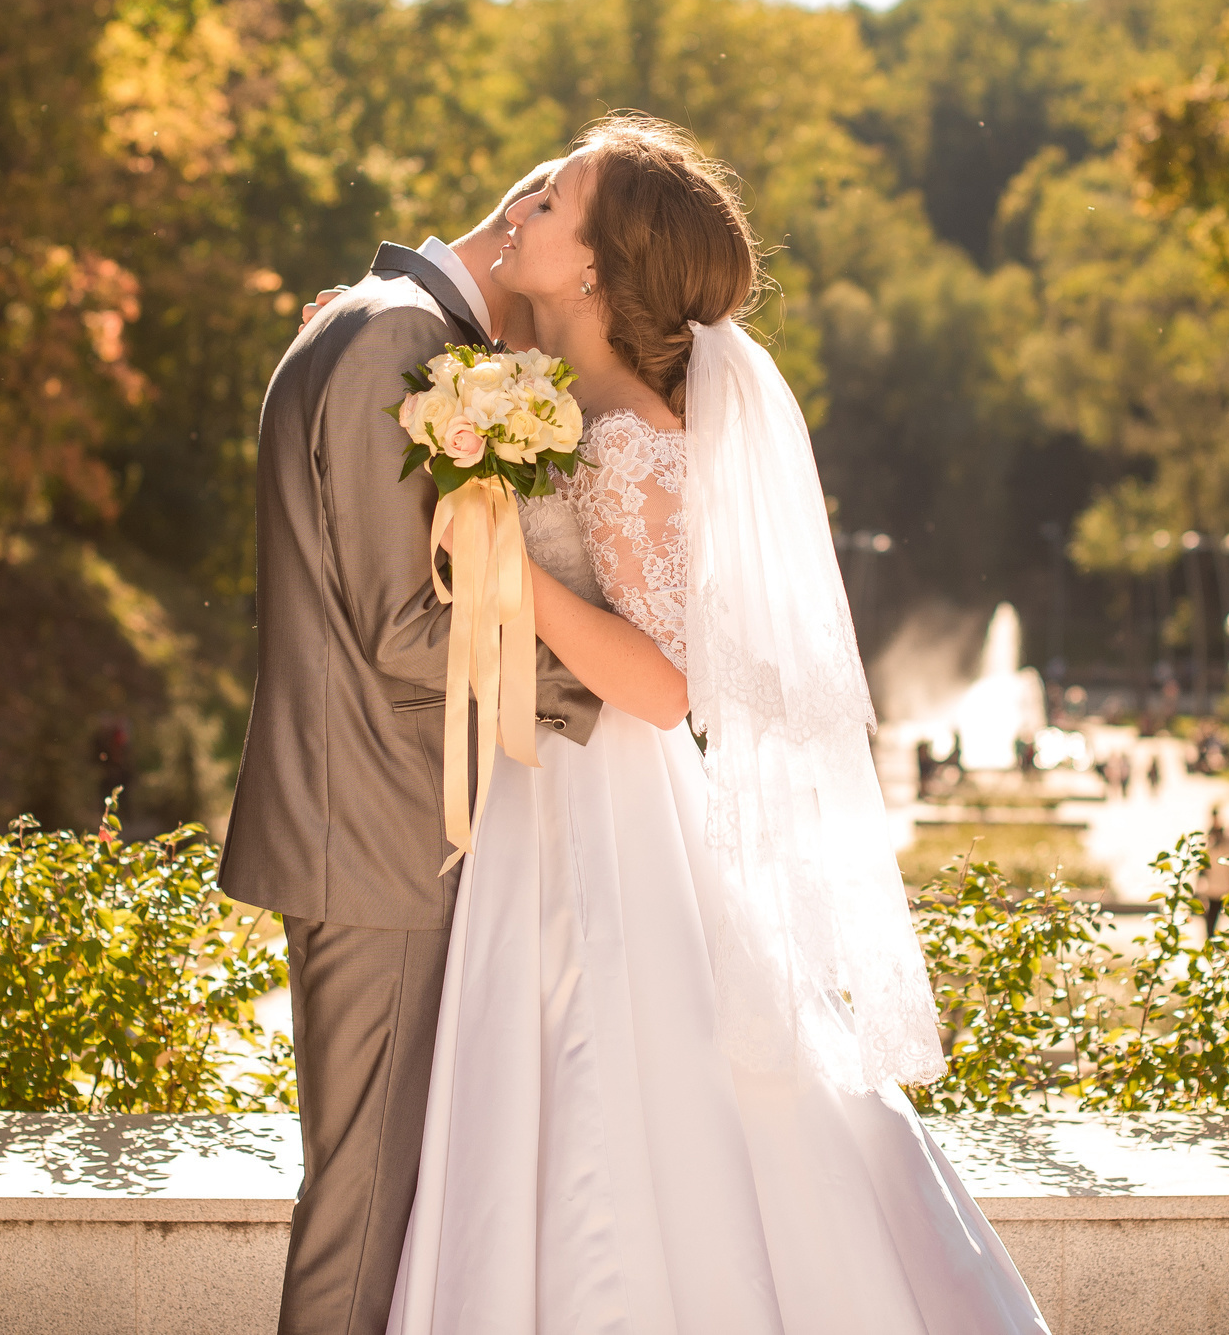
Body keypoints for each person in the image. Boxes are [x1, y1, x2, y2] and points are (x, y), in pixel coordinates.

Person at [389, 116, 1046, 1333]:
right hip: (537, 789)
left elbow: (663, 685)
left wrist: (508, 571)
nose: (516, 212)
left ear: (592, 266)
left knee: (619, 1086)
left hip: (602, 803)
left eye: (549, 201)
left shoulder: (634, 436)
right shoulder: (539, 385)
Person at [219, 164, 602, 1335]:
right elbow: (399, 630)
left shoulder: (380, 322)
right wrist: (597, 689)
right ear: (523, 217)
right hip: (374, 838)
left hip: (379, 827)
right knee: (364, 1201)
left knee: (387, 1191)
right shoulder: (394, 343)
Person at [1200, 807, 1229, 941]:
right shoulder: (1212, 841)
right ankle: (1211, 939)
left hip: (1224, 884)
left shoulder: (1223, 840)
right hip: (1217, 886)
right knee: (1215, 915)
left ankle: (1217, 938)